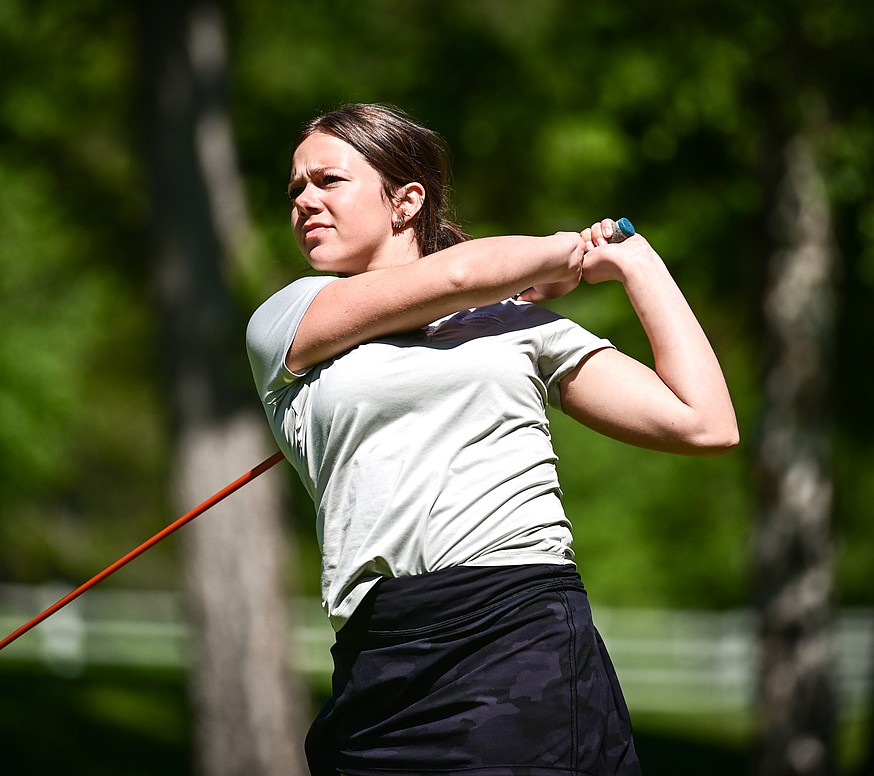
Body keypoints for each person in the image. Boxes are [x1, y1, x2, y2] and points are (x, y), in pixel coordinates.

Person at [245, 103, 738, 776]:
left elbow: (704, 422)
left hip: (519, 630)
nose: (304, 201)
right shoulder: (287, 320)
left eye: (328, 181)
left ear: (405, 201)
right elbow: (454, 276)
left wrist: (634, 262)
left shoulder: (514, 325)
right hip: (380, 653)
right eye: (295, 188)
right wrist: (566, 250)